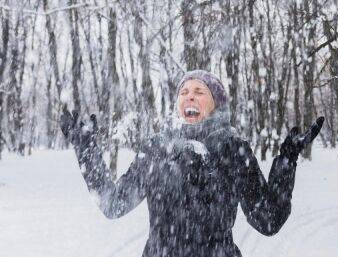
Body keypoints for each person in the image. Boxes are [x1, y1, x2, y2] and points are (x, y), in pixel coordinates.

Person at [60, 70, 324, 257]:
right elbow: (113, 204)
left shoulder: (233, 149)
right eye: (184, 92)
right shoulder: (157, 148)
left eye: (199, 91)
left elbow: (268, 220)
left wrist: (288, 159)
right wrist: (86, 149)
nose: (189, 97)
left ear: (216, 103)